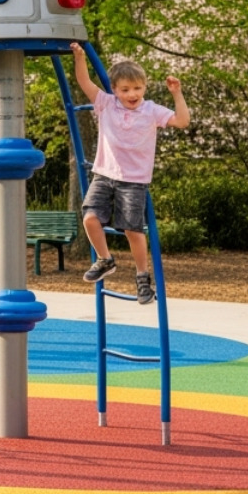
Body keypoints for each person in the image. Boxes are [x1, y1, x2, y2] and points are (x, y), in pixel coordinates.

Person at [71, 43, 190, 305]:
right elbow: (84, 81)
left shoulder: (151, 110)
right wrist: (79, 57)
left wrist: (177, 93)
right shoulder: (106, 104)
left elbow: (182, 121)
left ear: (144, 88)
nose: (132, 94)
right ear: (115, 90)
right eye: (125, 89)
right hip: (103, 174)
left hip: (133, 181)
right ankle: (105, 259)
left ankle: (142, 278)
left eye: (137, 88)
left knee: (132, 230)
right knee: (90, 218)